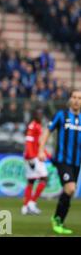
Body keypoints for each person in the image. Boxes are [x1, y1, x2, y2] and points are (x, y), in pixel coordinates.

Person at [39, 90, 81, 235]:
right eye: (74, 97)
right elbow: (47, 131)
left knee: (70, 191)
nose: (76, 100)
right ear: (70, 99)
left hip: (77, 163)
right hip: (62, 161)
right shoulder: (61, 115)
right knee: (70, 188)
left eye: (79, 98)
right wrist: (40, 150)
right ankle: (57, 219)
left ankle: (59, 220)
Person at [22, 108, 49, 215]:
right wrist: (31, 157)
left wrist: (47, 154)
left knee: (31, 181)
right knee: (44, 178)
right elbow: (28, 143)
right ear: (34, 115)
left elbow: (38, 144)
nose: (40, 116)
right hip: (33, 157)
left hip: (34, 156)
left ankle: (25, 206)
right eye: (38, 114)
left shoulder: (36, 126)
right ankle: (31, 203)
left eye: (41, 114)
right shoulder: (33, 126)